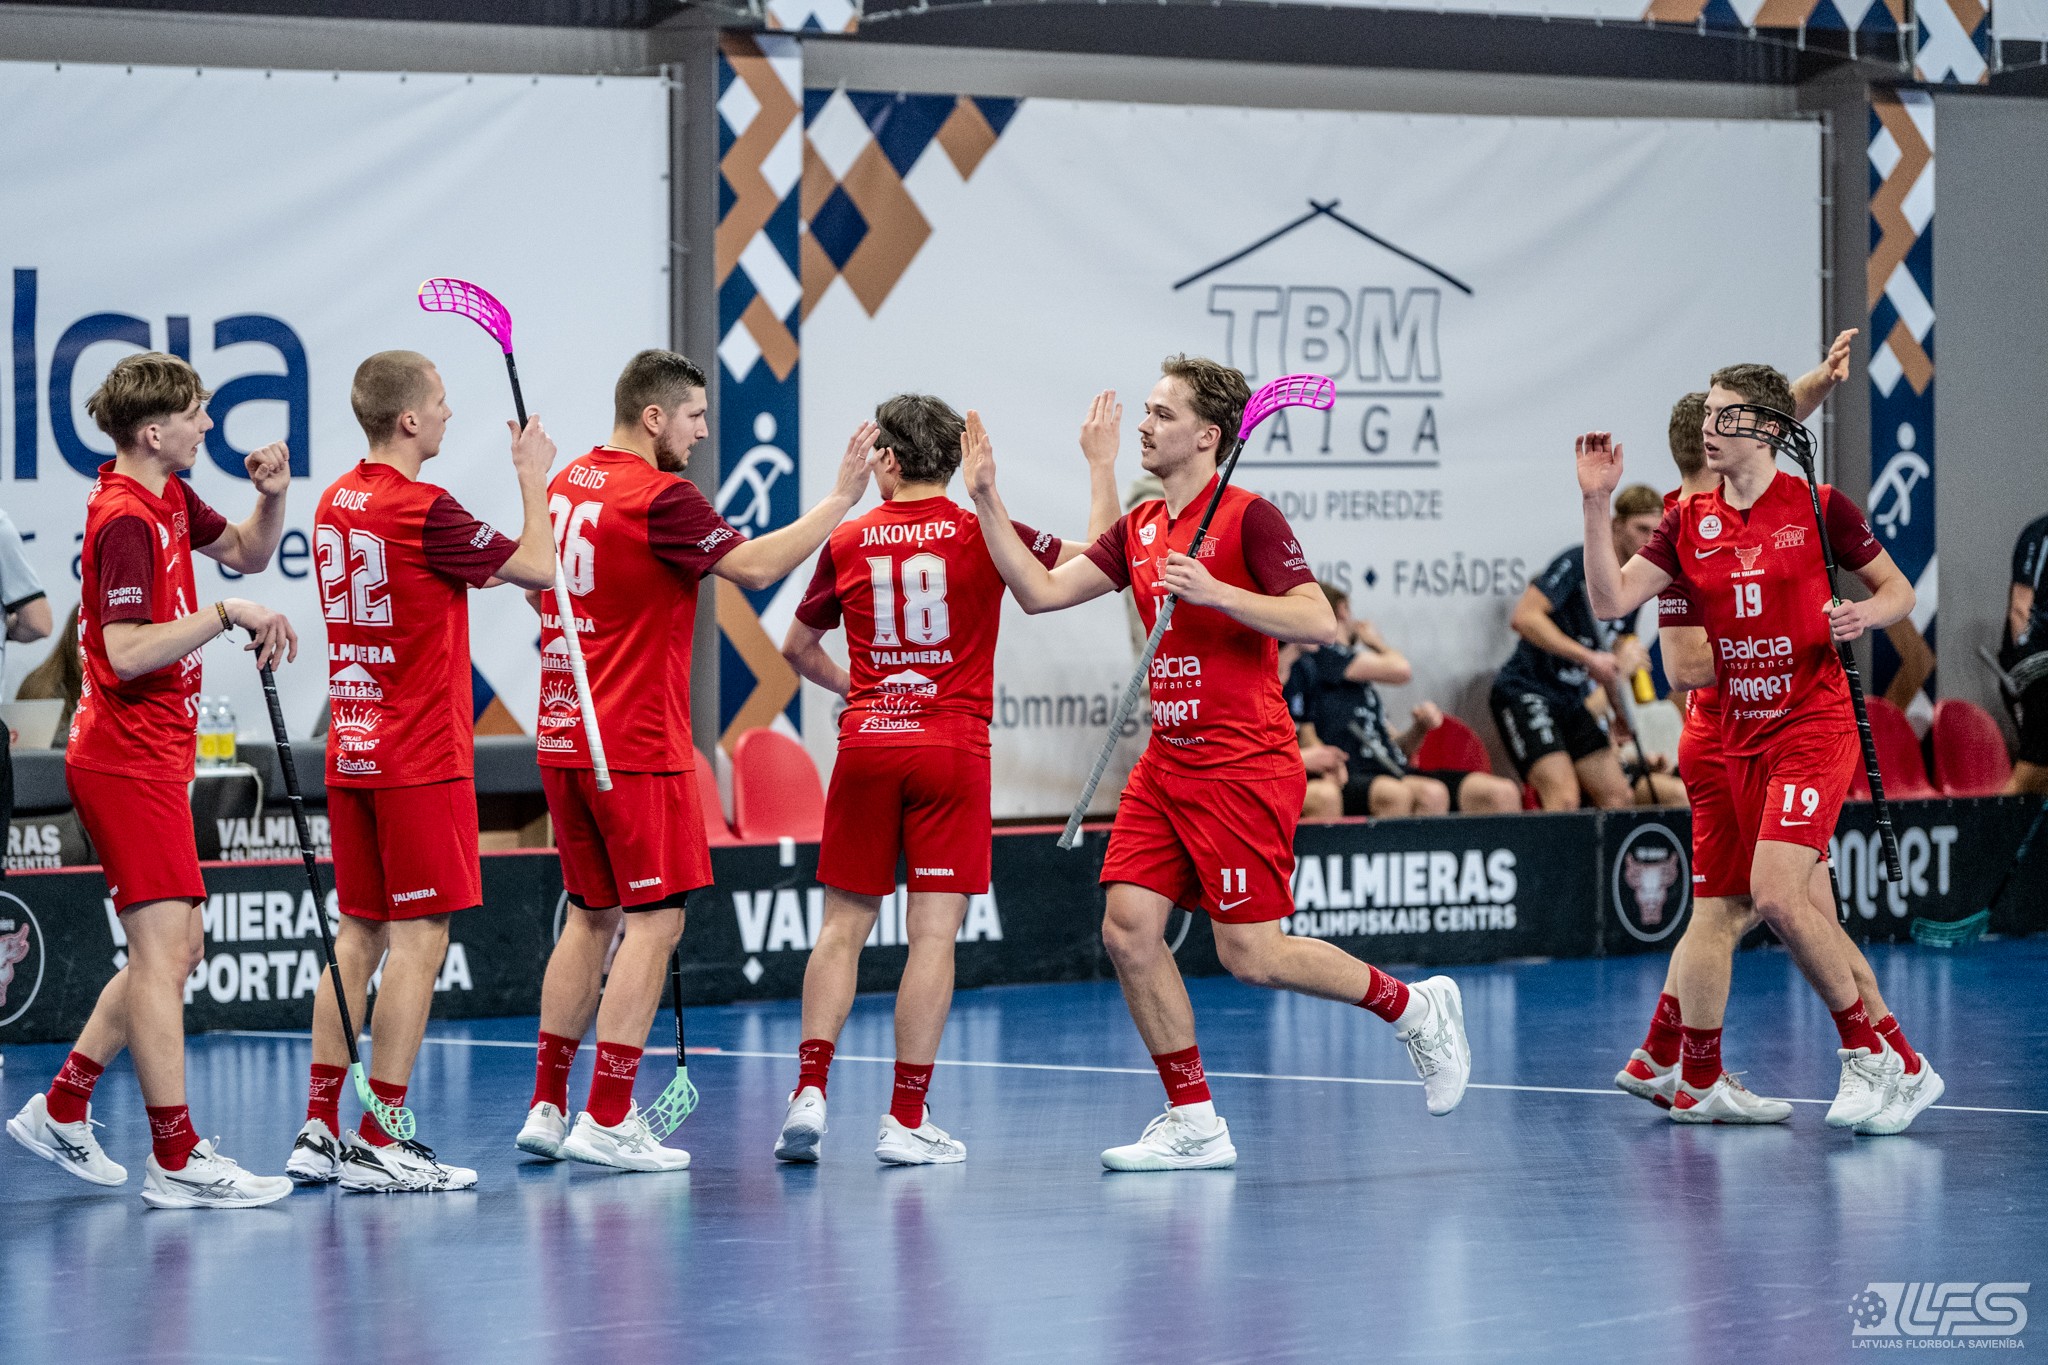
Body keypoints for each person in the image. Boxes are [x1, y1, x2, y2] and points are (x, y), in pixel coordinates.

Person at [962, 354, 1472, 1172]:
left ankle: (1413, 1007)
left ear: (1208, 435)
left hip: (1244, 764)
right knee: (1128, 929)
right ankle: (1193, 1116)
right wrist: (987, 496)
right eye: (1147, 410)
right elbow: (1040, 591)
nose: (1145, 423)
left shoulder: (1250, 518)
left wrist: (1219, 593)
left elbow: (1319, 621)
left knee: (1252, 955)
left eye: (1162, 413)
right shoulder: (1139, 527)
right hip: (1167, 763)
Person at [514, 349, 877, 1171]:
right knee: (655, 922)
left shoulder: (566, 482)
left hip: (563, 734)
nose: (704, 432)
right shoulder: (661, 496)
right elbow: (756, 567)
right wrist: (838, 500)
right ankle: (609, 1115)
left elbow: (539, 587)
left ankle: (547, 1104)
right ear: (654, 417)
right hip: (635, 743)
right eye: (695, 417)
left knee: (589, 915)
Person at [1579, 361, 1940, 1135]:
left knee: (1776, 898)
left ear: (1766, 431)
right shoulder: (1685, 521)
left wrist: (1865, 615)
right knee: (1776, 908)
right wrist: (1595, 502)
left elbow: (1899, 590)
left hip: (1812, 725)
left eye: (1725, 416)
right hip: (1736, 737)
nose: (1709, 427)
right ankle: (1901, 1059)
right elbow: (1610, 599)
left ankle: (1867, 1054)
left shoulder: (1818, 506)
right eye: (1707, 415)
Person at [775, 391, 1119, 1166]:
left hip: (869, 741)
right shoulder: (982, 529)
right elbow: (1104, 558)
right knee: (932, 935)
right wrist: (1101, 465)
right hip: (951, 748)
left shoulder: (848, 538)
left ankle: (809, 1091)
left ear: (888, 461)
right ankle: (904, 1118)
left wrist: (859, 689)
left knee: (841, 930)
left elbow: (796, 647)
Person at [6, 352, 297, 1207]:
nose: (208, 425)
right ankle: (175, 1156)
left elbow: (246, 550)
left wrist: (273, 497)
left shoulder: (168, 495)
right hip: (124, 761)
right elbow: (128, 651)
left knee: (173, 951)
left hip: (156, 756)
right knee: (164, 956)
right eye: (196, 414)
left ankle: (62, 1107)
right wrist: (223, 614)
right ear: (152, 431)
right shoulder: (125, 517)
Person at [284, 351, 559, 1193]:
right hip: (419, 754)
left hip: (353, 747)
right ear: (408, 419)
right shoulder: (423, 507)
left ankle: (318, 1128)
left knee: (357, 935)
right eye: (439, 401)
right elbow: (540, 566)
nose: (447, 412)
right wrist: (532, 476)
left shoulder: (335, 499)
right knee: (420, 940)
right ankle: (383, 1136)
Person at [1491, 485, 1686, 810]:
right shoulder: (1577, 563)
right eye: (1641, 529)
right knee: (1563, 797)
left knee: (1618, 795)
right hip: (1530, 689)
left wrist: (1621, 714)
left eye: (1656, 532)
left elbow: (1615, 660)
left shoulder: (1634, 582)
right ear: (1616, 525)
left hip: (1574, 699)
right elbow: (1524, 618)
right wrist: (1589, 658)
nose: (1649, 540)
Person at [1287, 583, 1520, 818]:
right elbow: (1401, 670)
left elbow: (1396, 748)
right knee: (1423, 793)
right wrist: (1376, 642)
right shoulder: (1322, 656)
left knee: (1502, 792)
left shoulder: (1359, 684)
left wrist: (1420, 728)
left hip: (1393, 768)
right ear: (1343, 610)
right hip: (1359, 773)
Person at [2002, 511, 2048, 794]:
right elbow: (2020, 608)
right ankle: (1997, 822)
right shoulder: (2039, 535)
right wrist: (2025, 665)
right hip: (2032, 664)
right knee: (2035, 763)